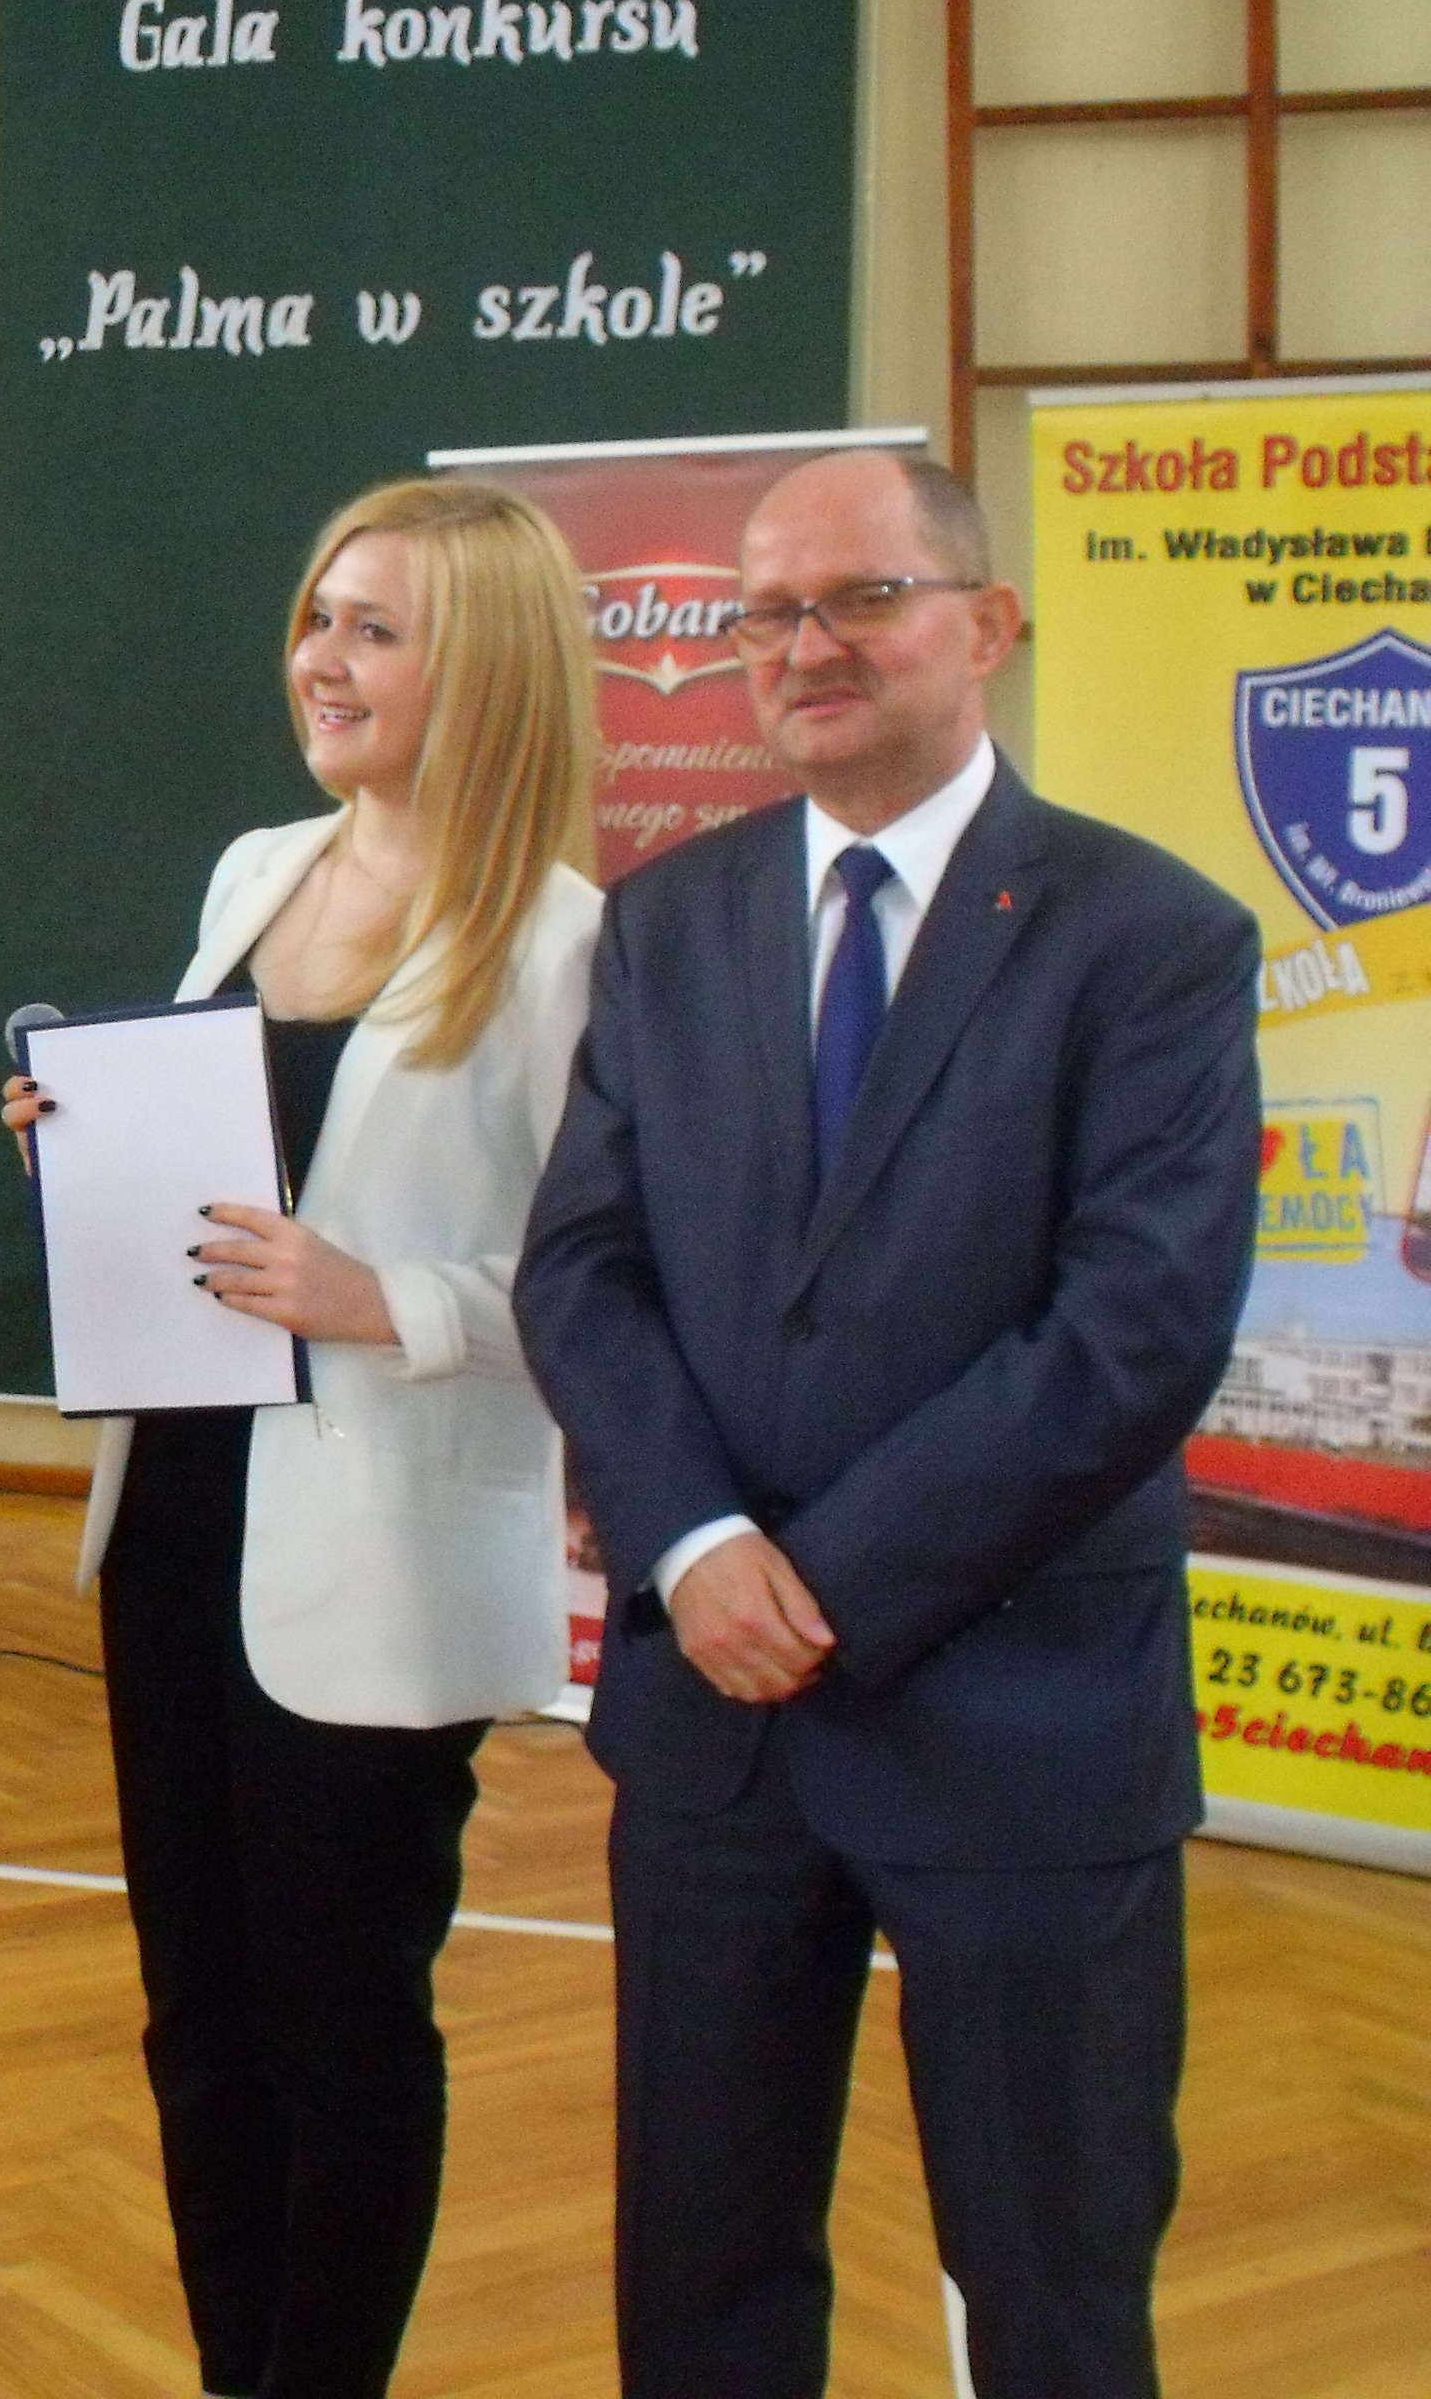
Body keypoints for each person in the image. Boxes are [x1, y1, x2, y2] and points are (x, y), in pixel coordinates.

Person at [513, 448, 1258, 2399]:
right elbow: (582, 1269)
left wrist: (817, 1582)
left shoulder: (1150, 938)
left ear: (988, 625)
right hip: (718, 1735)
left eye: (861, 598)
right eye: (765, 613)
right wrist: (696, 1549)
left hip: (1024, 1728)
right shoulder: (667, 924)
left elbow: (1133, 1332)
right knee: (704, 2282)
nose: (804, 647)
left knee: (1053, 2288)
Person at [2, 476, 601, 2399]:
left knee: (342, 2030)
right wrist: (95, 1146)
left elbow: (607, 1291)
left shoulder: (567, 947)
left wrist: (383, 1298)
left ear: (484, 668)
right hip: (177, 1518)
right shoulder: (256, 870)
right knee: (196, 2017)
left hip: (381, 1561)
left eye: (375, 629)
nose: (320, 661)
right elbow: (233, 1180)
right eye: (316, 617)